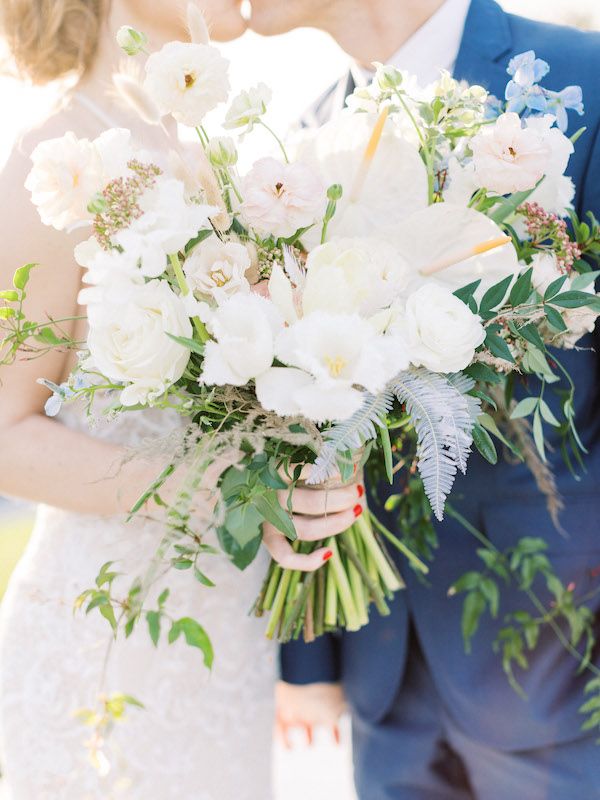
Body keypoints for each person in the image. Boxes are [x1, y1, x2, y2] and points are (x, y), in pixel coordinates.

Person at [0, 2, 360, 798]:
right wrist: (229, 496)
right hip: (106, 638)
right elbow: (3, 433)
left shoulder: (232, 162)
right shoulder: (55, 166)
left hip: (224, 639)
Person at [260, 1, 600, 798]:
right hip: (382, 673)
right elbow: (295, 419)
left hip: (557, 663)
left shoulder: (583, 81)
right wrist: (307, 652)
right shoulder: (302, 143)